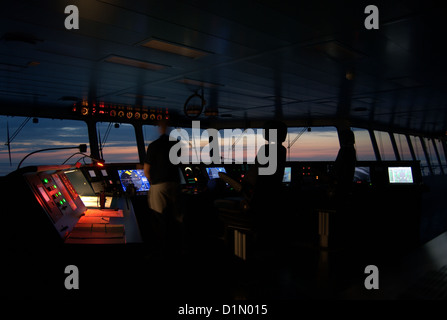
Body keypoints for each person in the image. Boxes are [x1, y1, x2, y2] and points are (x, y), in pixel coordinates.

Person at [144, 118, 181, 256]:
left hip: (159, 186)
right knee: (177, 217)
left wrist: (152, 183)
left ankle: (161, 250)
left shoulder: (154, 146)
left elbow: (147, 171)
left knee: (159, 217)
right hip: (175, 184)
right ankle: (178, 248)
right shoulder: (177, 145)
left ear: (160, 128)